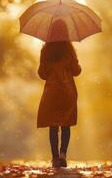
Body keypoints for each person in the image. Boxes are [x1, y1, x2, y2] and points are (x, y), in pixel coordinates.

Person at [37, 19, 81, 168]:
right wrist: (75, 62)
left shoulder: (46, 50)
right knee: (66, 124)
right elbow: (77, 71)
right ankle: (63, 154)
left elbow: (42, 74)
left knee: (53, 125)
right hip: (67, 92)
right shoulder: (69, 49)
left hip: (52, 92)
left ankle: (55, 158)